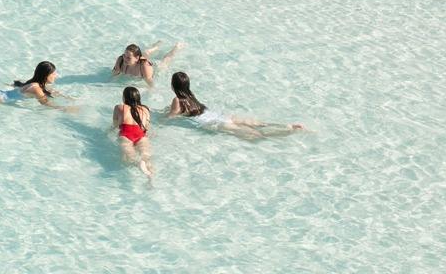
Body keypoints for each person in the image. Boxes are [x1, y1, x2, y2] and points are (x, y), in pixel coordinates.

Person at [167, 71, 305, 140]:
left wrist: (162, 117)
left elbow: (171, 118)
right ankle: (288, 126)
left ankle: (289, 131)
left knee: (257, 136)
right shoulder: (192, 97)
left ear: (173, 85)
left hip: (214, 123)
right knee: (259, 125)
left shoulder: (177, 100)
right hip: (218, 116)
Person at [113, 85, 154, 180]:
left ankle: (137, 164)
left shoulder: (119, 107)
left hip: (126, 134)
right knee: (146, 158)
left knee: (129, 159)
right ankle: (150, 178)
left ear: (124, 98)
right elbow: (146, 128)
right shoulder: (145, 110)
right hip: (141, 135)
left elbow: (115, 125)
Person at [112, 41, 182, 85]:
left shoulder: (145, 66)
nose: (125, 59)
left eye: (128, 58)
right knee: (145, 52)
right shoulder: (121, 60)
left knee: (166, 60)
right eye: (124, 55)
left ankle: (176, 48)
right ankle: (157, 45)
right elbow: (114, 76)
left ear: (137, 58)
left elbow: (150, 84)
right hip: (139, 60)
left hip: (154, 67)